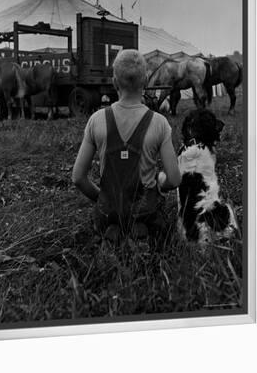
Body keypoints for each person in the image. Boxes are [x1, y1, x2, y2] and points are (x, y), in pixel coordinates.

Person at [72, 49, 181, 242]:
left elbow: (78, 178)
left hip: (108, 211)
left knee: (106, 218)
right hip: (146, 211)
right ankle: (141, 229)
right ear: (146, 81)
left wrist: (102, 198)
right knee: (153, 218)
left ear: (114, 82)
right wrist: (161, 181)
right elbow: (174, 179)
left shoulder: (96, 120)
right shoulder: (159, 123)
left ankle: (112, 228)